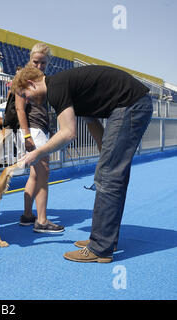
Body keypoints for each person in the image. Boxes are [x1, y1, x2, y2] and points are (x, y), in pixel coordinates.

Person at [12, 65, 153, 263]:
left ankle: (100, 247)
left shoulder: (56, 88)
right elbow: (91, 120)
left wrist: (37, 153)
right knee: (108, 174)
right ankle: (105, 240)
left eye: (24, 94)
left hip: (131, 105)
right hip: (132, 104)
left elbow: (68, 132)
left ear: (30, 83)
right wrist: (104, 153)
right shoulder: (67, 87)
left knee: (108, 177)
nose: (26, 100)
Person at [14, 43, 64, 233]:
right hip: (33, 131)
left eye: (43, 63)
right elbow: (20, 109)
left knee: (36, 174)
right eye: (36, 62)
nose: (39, 66)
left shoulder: (46, 79)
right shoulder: (23, 79)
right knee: (44, 172)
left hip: (42, 129)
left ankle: (28, 215)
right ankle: (42, 221)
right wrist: (27, 135)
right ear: (30, 59)